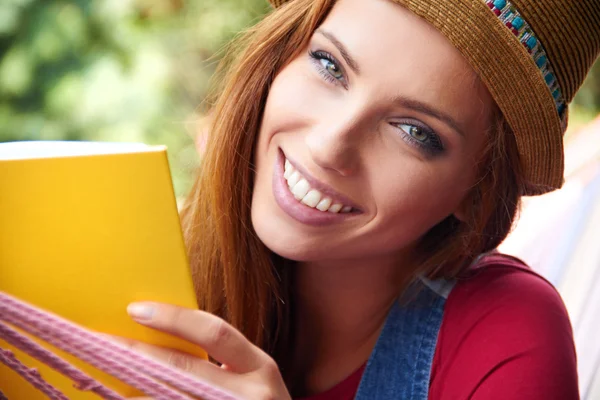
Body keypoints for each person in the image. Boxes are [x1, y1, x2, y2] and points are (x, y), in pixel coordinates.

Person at [114, 0, 600, 398]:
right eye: (329, 66)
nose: (329, 147)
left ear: (477, 193)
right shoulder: (136, 278)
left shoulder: (506, 337)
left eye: (413, 131)